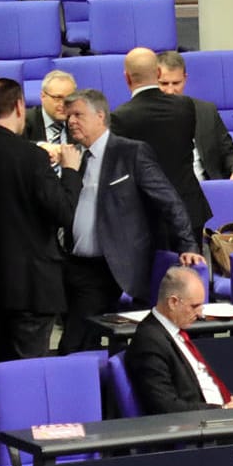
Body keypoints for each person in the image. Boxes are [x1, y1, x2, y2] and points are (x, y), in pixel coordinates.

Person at [57, 88, 202, 352]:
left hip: (117, 266)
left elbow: (169, 201)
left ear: (100, 116)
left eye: (78, 114)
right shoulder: (72, 158)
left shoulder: (131, 153)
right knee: (78, 344)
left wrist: (188, 246)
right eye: (69, 116)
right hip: (77, 267)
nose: (71, 122)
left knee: (86, 347)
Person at [0, 78, 78, 361]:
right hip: (31, 287)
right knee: (28, 372)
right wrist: (71, 172)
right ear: (19, 106)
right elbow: (64, 212)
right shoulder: (32, 156)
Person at [123, 266, 233, 413]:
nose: (201, 313)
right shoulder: (149, 343)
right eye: (194, 306)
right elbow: (166, 407)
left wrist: (230, 400)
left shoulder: (175, 332)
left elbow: (200, 383)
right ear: (173, 302)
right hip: (196, 425)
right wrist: (222, 409)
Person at [110, 47, 213, 230]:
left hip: (148, 215)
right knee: (191, 260)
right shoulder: (185, 107)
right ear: (157, 73)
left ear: (126, 77)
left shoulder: (120, 117)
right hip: (189, 209)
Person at [156, 50, 233, 182]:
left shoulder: (205, 111)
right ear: (154, 81)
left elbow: (230, 153)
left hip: (206, 192)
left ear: (185, 79)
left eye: (176, 83)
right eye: (164, 84)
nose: (171, 91)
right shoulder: (140, 115)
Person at [24, 70, 75, 149]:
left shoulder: (79, 121)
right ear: (43, 96)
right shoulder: (24, 120)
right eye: (57, 98)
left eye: (69, 99)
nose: (63, 104)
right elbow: (14, 145)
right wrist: (41, 146)